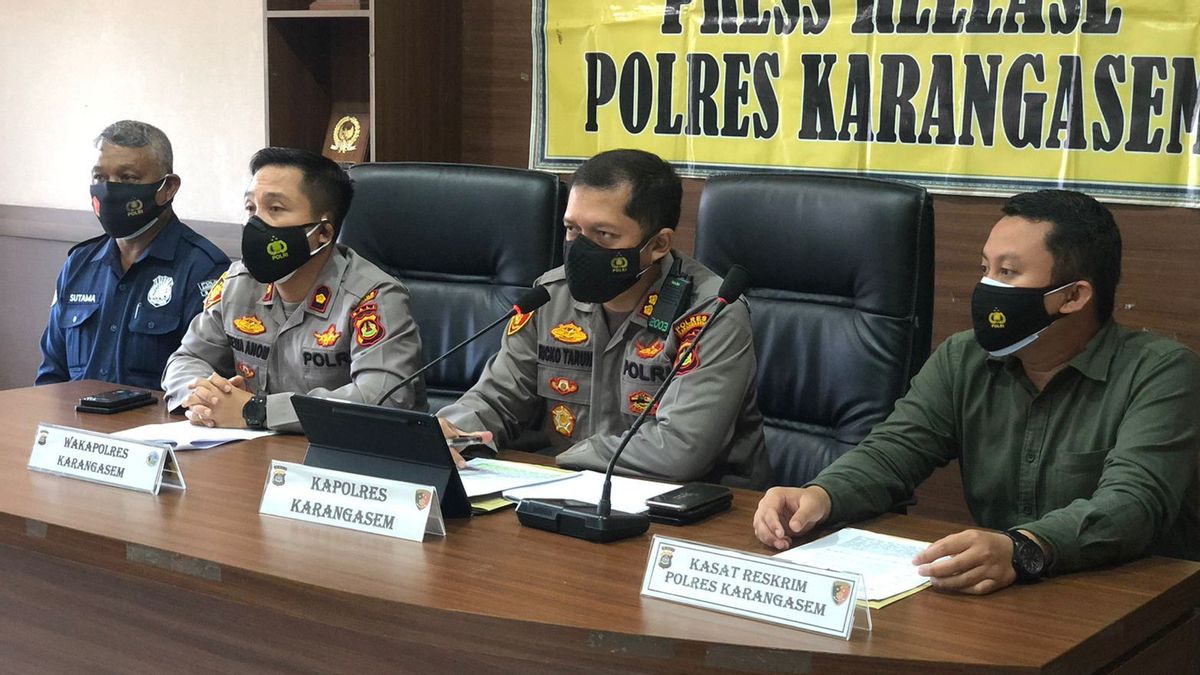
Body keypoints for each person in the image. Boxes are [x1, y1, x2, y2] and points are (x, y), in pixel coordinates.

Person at [753, 189, 1200, 593]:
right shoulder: (963, 358)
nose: (987, 288)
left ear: (1073, 296)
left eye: (1007, 272)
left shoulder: (1160, 373)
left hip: (1133, 603)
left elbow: (1133, 505)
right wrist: (820, 496)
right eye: (985, 269)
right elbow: (893, 452)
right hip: (1006, 596)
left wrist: (1024, 547)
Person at [438, 149, 771, 488]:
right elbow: (497, 398)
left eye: (604, 235)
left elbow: (680, 451)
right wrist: (451, 433)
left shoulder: (710, 313)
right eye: (572, 229)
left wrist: (562, 460)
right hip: (569, 493)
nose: (581, 249)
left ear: (658, 244)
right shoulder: (550, 297)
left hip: (697, 509)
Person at [161, 147, 425, 431]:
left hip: (340, 459)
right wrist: (205, 398)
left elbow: (382, 399)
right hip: (249, 453)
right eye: (251, 208)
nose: (256, 223)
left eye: (275, 209)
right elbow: (187, 359)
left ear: (323, 233)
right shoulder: (238, 282)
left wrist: (257, 412)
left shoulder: (372, 296)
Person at [37, 120, 229, 389]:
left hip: (158, 428)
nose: (110, 189)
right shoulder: (79, 265)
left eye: (128, 178)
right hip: (76, 427)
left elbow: (205, 386)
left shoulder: (203, 270)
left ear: (168, 188)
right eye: (100, 177)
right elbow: (51, 375)